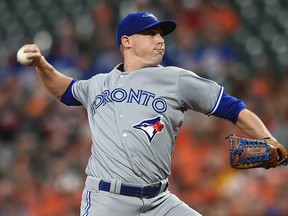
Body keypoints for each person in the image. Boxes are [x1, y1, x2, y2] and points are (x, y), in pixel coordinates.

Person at [18, 11, 282, 216]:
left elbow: (232, 107)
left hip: (159, 200)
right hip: (107, 201)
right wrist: (41, 64)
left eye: (161, 35)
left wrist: (268, 138)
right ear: (127, 41)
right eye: (151, 33)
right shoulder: (98, 83)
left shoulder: (176, 80)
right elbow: (64, 90)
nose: (160, 39)